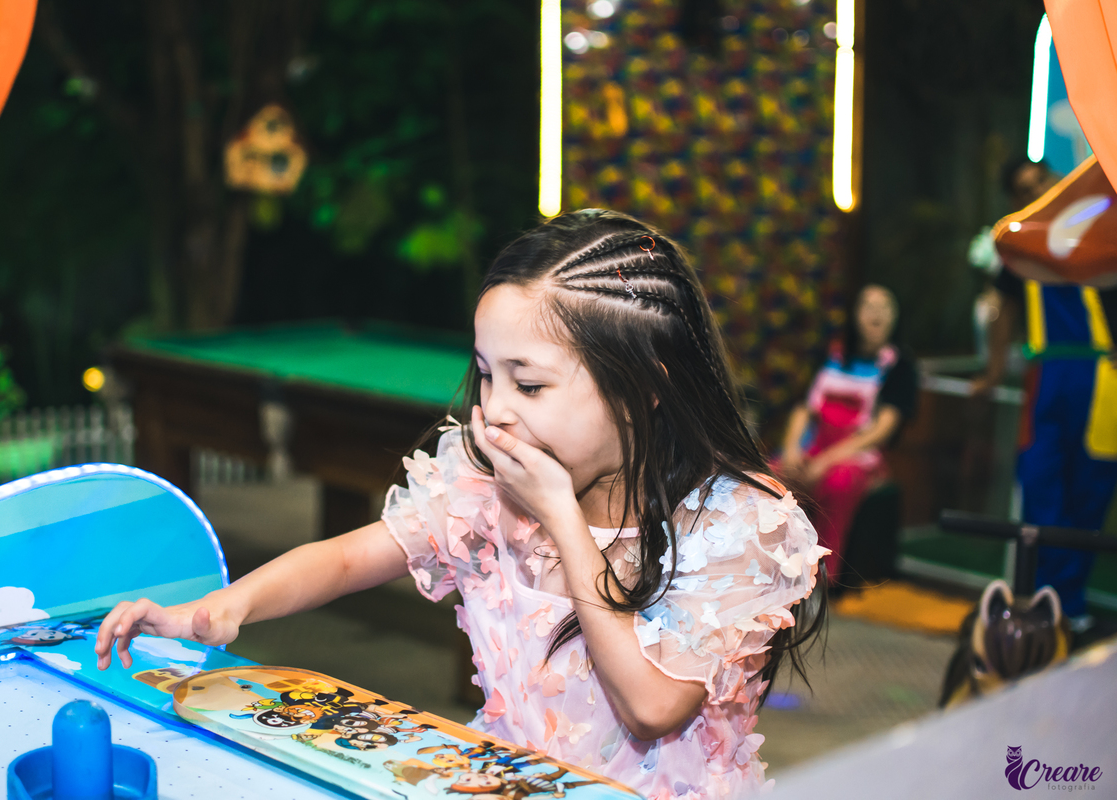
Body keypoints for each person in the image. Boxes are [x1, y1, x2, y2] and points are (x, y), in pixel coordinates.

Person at [94, 210, 829, 799]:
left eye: (529, 384)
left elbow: (653, 706)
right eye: (484, 375)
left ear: (645, 384)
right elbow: (354, 554)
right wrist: (224, 608)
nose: (493, 411)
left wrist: (566, 523)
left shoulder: (737, 525)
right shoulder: (485, 489)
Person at [973, 157, 1117, 633]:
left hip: (1102, 378)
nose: (1036, 191)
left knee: (1090, 492)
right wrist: (993, 375)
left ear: (1058, 183)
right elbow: (1003, 313)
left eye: (1042, 181)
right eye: (1024, 188)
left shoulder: (1103, 236)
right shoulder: (1021, 253)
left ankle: (1069, 607)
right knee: (1041, 487)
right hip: (1047, 376)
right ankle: (1044, 604)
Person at [776, 285, 917, 584]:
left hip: (861, 457)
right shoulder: (833, 355)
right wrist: (791, 447)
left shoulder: (901, 367)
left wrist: (828, 460)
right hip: (814, 449)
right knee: (772, 477)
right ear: (855, 315)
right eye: (869, 306)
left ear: (896, 317)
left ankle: (822, 578)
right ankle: (773, 571)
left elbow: (882, 429)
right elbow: (805, 408)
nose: (876, 314)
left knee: (837, 481)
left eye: (885, 307)